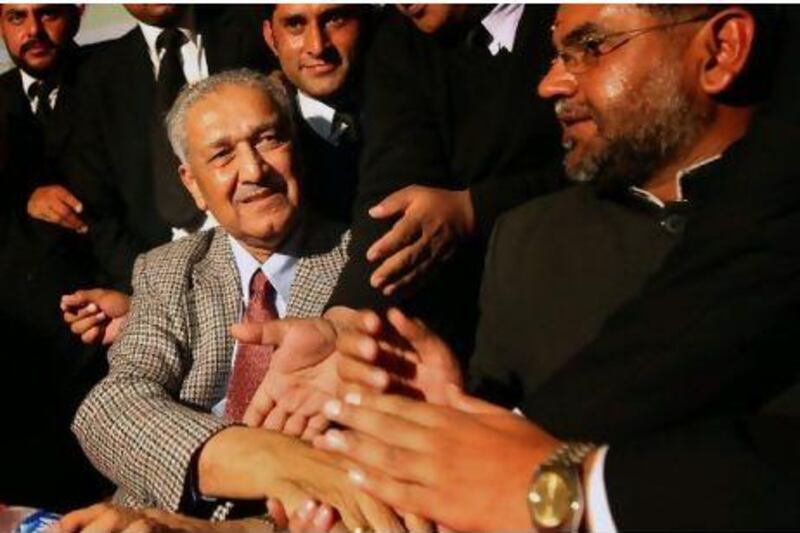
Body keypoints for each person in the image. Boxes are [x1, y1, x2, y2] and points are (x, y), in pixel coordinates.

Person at [236, 4, 800, 529]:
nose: (550, 82)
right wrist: (450, 420)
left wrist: (556, 485)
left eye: (593, 47)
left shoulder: (759, 234)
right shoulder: (529, 243)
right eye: (557, 53)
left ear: (723, 48)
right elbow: (495, 456)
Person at [70, 69, 399, 531]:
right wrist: (271, 460)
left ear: (297, 149)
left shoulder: (363, 265)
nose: (254, 171)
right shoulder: (166, 270)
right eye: (222, 154)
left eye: (268, 140)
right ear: (192, 185)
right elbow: (112, 408)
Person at [328, 4, 563, 359]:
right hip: (477, 330)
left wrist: (475, 209)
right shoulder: (398, 40)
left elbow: (623, 161)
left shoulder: (578, 15)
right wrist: (342, 322)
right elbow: (392, 189)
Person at [55, 4, 274, 347]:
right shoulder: (95, 77)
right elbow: (100, 212)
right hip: (164, 291)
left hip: (274, 269)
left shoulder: (256, 28)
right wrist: (149, 294)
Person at [0, 3, 112, 511]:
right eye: (16, 18)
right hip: (15, 343)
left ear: (79, 13)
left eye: (47, 15)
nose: (33, 32)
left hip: (100, 322)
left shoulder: (113, 80)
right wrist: (24, 196)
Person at [264, 3, 374, 224]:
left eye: (335, 19)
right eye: (295, 24)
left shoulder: (425, 109)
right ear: (271, 37)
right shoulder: (263, 158)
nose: (317, 46)